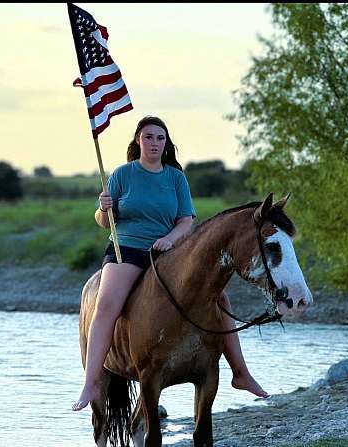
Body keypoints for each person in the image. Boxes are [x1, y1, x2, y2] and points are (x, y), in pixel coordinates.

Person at [72, 116, 269, 411]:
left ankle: (241, 373)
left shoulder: (175, 177)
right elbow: (104, 222)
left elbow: (186, 220)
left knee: (220, 298)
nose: (154, 143)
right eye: (149, 137)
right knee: (106, 305)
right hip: (127, 250)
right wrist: (102, 209)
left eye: (160, 138)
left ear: (167, 144)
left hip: (168, 252)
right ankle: (92, 382)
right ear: (138, 140)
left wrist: (170, 238)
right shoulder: (122, 174)